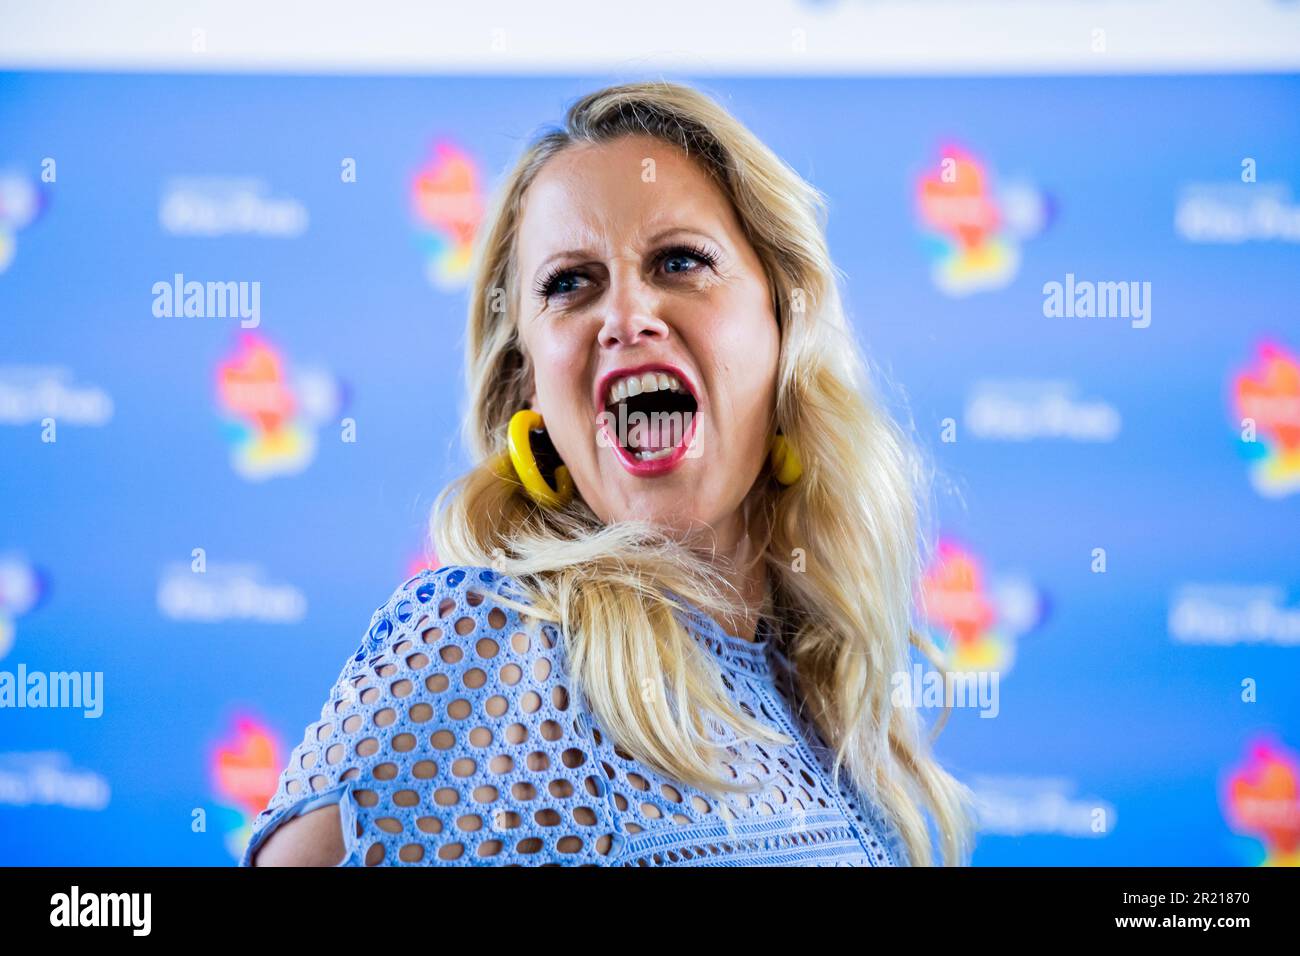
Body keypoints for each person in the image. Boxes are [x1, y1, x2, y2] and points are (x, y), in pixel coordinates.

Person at [243, 79, 975, 867]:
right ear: (530, 381)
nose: (626, 316)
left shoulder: (817, 684)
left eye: (679, 262)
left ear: (782, 323)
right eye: (569, 283)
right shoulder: (489, 641)